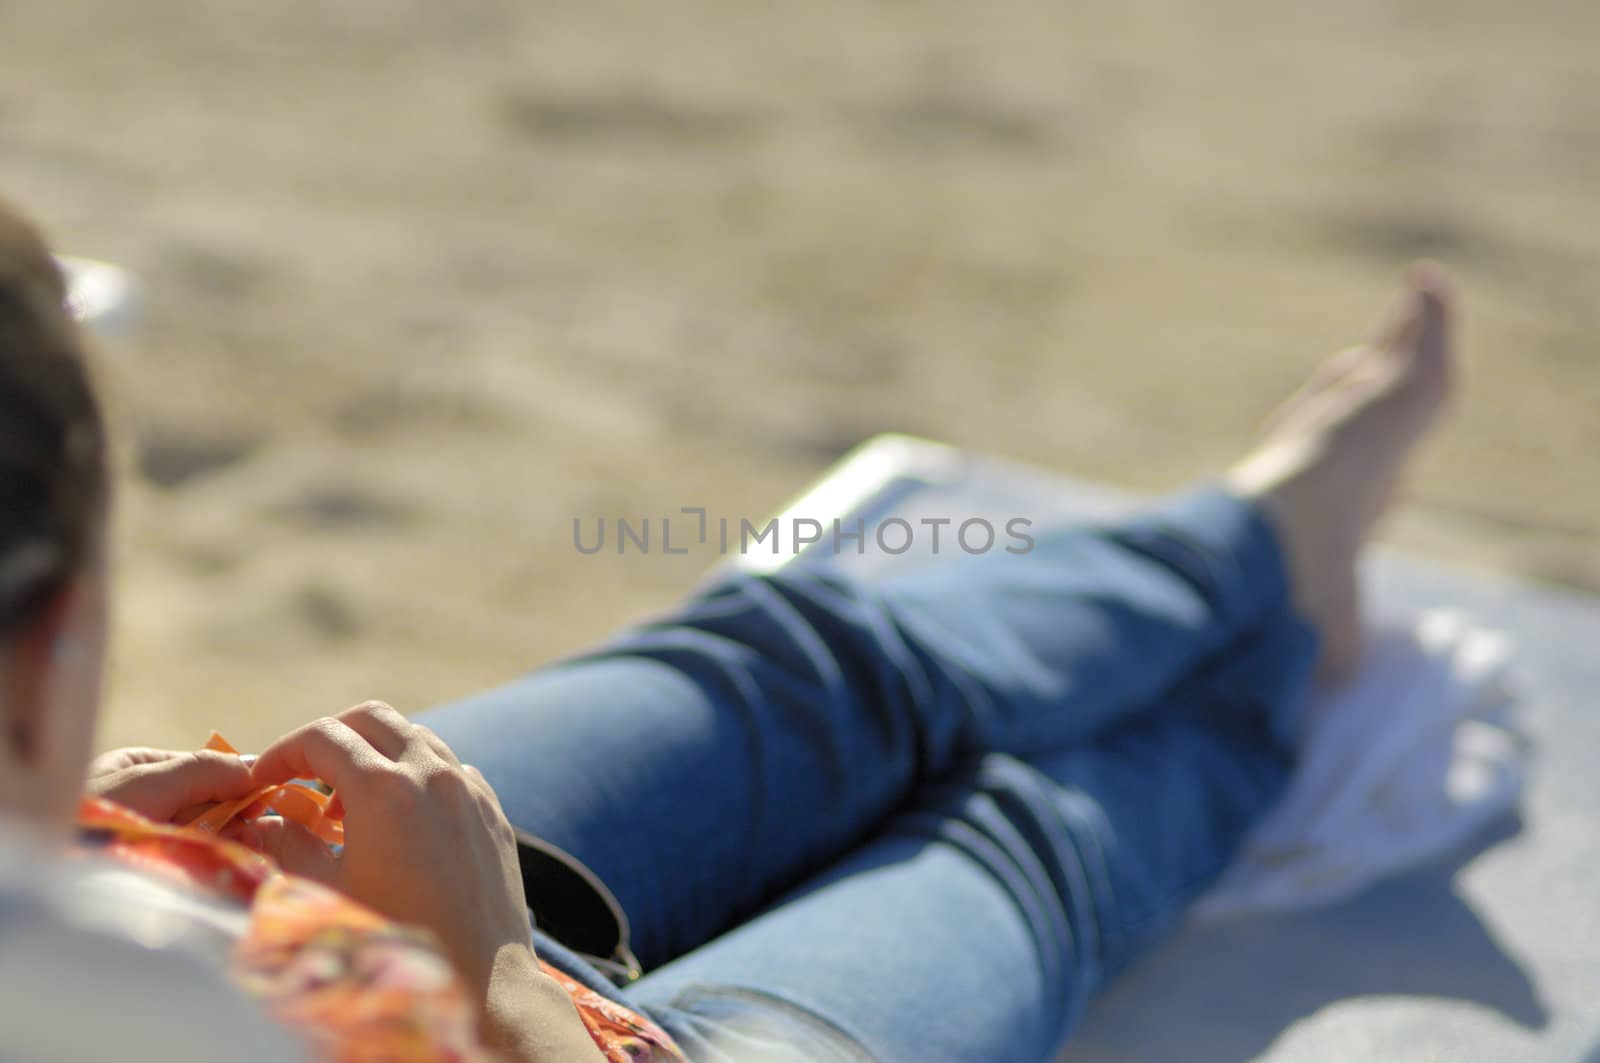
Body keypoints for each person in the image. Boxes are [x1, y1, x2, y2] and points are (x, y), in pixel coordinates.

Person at [0, 192, 1452, 1062]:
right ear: (43, 650)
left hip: (277, 908)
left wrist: (63, 825)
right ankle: (1273, 626)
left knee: (798, 674)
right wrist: (503, 981)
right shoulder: (148, 1008)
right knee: (1020, 839)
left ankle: (1259, 541)